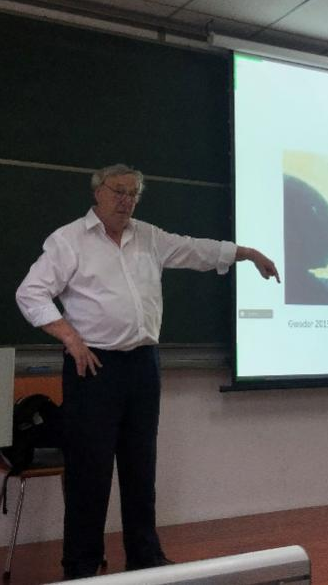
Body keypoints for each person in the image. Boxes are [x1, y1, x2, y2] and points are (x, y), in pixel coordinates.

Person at [15, 163, 279, 580]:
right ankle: (81, 568)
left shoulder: (149, 237)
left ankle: (145, 559)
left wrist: (246, 253)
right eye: (118, 191)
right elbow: (30, 292)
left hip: (143, 366)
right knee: (89, 471)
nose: (126, 200)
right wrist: (70, 337)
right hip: (94, 367)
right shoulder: (69, 240)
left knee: (141, 466)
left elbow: (195, 250)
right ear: (98, 193)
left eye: (133, 194)